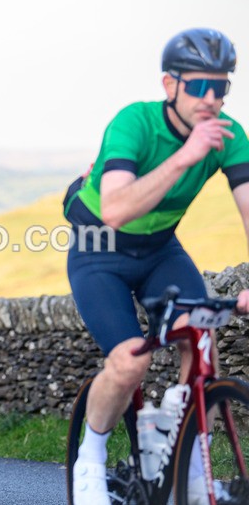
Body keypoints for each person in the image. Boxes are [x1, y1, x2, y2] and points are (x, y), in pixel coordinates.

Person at [64, 28, 249, 505]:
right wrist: (187, 155)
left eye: (221, 87)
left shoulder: (230, 136)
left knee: (201, 335)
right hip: (99, 249)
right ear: (170, 86)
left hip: (160, 250)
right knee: (131, 361)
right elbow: (116, 209)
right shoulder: (135, 123)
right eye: (198, 86)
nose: (211, 98)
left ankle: (183, 452)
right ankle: (91, 460)